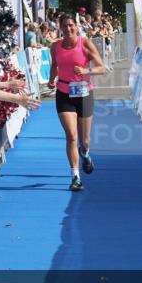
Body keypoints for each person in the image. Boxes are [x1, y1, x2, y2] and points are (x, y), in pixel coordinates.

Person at [46, 14, 106, 192]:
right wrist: (51, 79)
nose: (68, 29)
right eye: (64, 26)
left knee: (84, 140)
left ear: (76, 26)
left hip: (84, 93)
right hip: (64, 94)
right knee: (72, 136)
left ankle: (85, 153)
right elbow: (55, 65)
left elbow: (101, 67)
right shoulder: (55, 46)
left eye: (71, 25)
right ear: (60, 28)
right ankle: (75, 177)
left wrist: (85, 70)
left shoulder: (85, 43)